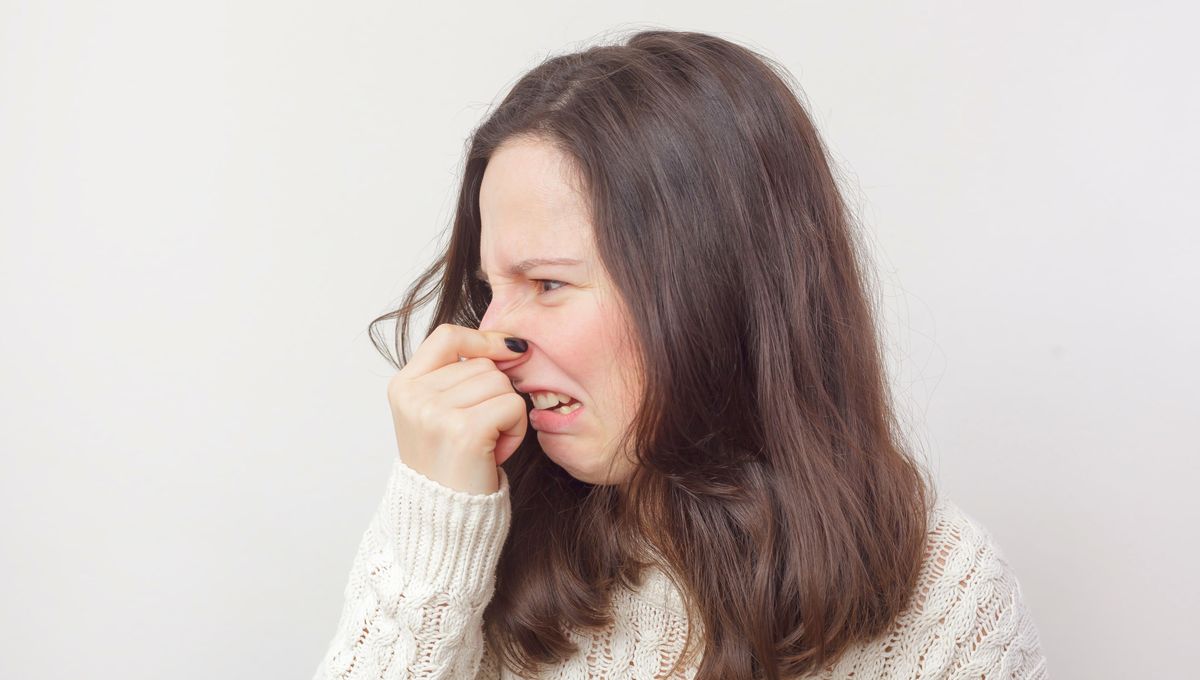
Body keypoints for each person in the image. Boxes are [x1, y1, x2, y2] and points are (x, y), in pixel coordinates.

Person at [312, 29, 1049, 680]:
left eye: (547, 282)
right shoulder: (471, 533)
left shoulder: (947, 595)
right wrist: (433, 527)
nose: (494, 339)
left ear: (709, 286)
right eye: (491, 288)